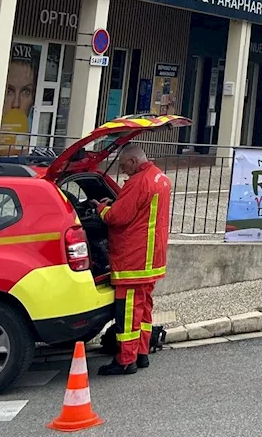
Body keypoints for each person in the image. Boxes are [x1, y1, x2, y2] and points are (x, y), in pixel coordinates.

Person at [97, 145, 172, 376]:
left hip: (134, 259)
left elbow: (116, 217)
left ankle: (125, 360)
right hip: (152, 258)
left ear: (132, 160)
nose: (123, 171)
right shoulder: (160, 177)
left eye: (123, 165)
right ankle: (141, 354)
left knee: (128, 312)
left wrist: (101, 208)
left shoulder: (138, 182)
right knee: (144, 308)